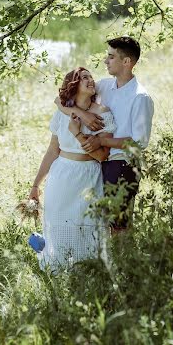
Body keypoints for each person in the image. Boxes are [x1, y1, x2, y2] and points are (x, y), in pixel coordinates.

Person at [58, 37, 154, 231]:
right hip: (99, 163)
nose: (105, 61)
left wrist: (102, 141)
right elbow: (60, 100)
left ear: (126, 62)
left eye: (111, 57)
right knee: (100, 225)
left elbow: (138, 142)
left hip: (122, 165)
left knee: (119, 227)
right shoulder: (104, 85)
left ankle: (125, 261)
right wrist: (83, 115)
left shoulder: (140, 97)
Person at [29, 67, 115, 272]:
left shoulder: (102, 114)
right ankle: (57, 268)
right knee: (58, 224)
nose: (90, 80)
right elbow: (52, 151)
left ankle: (87, 270)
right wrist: (35, 185)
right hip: (61, 176)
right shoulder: (62, 114)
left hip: (88, 176)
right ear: (74, 85)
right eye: (84, 77)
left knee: (87, 224)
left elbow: (103, 156)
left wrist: (77, 134)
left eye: (91, 77)